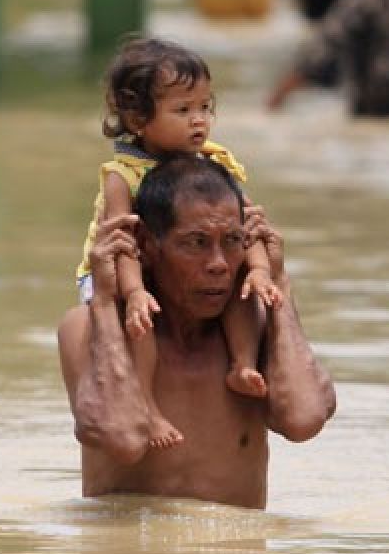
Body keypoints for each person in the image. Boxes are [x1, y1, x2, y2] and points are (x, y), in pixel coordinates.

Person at [57, 155, 337, 509]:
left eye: (233, 241)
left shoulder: (251, 332)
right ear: (145, 245)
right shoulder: (89, 326)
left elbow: (304, 419)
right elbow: (123, 436)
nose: (219, 264)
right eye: (196, 243)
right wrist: (103, 299)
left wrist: (278, 282)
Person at [73, 37, 284, 450]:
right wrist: (132, 294)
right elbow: (122, 243)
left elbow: (248, 224)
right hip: (122, 272)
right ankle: (147, 404)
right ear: (137, 118)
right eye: (182, 110)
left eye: (205, 107)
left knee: (239, 286)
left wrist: (259, 270)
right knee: (141, 322)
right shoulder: (124, 174)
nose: (198, 121)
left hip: (182, 269)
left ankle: (241, 365)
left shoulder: (215, 163)